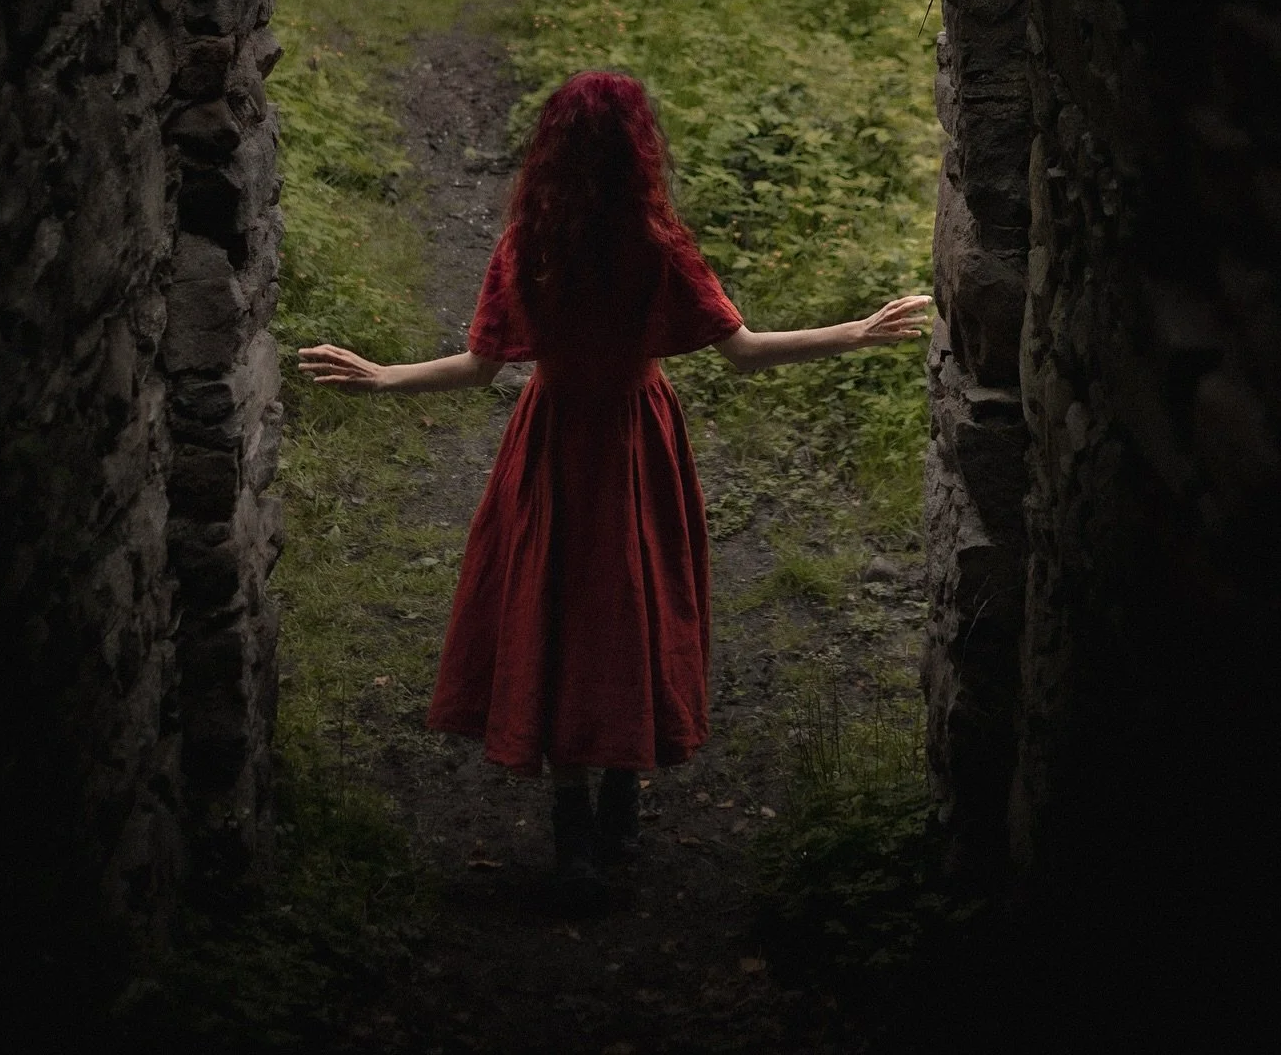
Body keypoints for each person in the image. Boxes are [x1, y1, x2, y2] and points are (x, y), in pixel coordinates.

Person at [299, 71, 930, 899]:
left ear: (551, 152)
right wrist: (855, 332)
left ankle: (577, 835)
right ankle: (621, 800)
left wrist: (384, 377)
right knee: (631, 603)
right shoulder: (656, 245)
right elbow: (743, 353)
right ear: (641, 151)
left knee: (551, 602)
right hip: (636, 444)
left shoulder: (532, 244)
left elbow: (483, 368)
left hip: (556, 442)